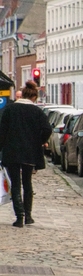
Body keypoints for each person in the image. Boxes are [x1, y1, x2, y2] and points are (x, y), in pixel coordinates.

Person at [0, 81, 52, 227]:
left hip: (12, 152)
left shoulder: (10, 110)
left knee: (15, 184)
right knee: (27, 183)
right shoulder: (37, 112)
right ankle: (28, 215)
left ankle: (19, 217)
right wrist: (40, 141)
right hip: (30, 152)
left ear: (21, 95)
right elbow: (47, 129)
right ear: (34, 97)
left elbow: (2, 132)